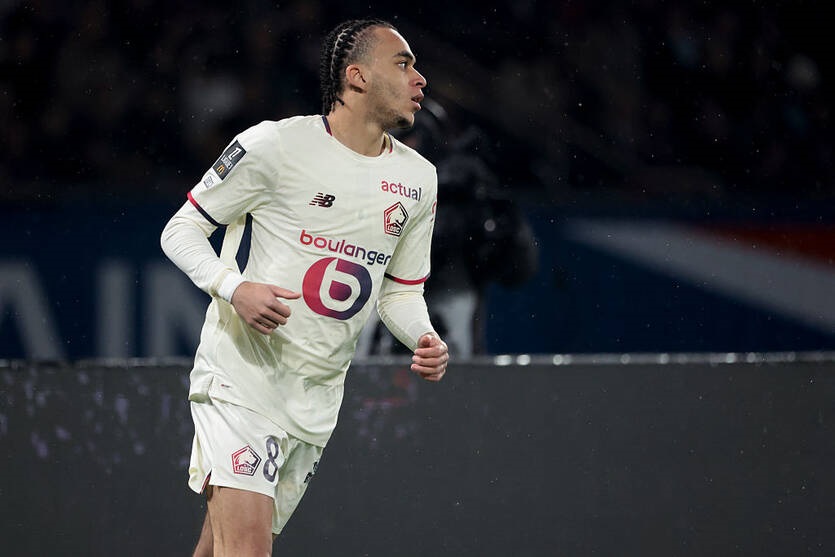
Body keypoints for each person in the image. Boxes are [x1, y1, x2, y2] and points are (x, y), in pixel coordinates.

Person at [160, 18, 449, 556]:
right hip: (244, 380)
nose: (420, 78)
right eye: (403, 64)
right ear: (357, 76)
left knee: (220, 547)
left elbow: (401, 291)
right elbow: (180, 230)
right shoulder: (273, 145)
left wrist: (424, 336)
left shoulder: (418, 179)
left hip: (316, 397)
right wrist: (234, 288)